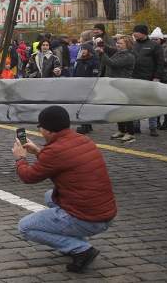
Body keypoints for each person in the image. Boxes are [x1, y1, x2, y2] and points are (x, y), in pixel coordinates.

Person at [13, 105, 116, 273]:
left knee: (25, 227)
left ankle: (81, 249)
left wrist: (20, 159)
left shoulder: (55, 150)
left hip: (90, 219)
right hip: (105, 213)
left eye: (40, 127)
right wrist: (38, 151)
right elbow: (60, 160)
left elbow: (28, 177)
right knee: (49, 196)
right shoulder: (82, 139)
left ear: (48, 130)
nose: (40, 131)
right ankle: (77, 241)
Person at [100, 35, 138, 143]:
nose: (117, 44)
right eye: (117, 43)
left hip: (123, 86)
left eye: (120, 43)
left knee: (125, 110)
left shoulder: (129, 56)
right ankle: (121, 130)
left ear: (127, 45)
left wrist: (102, 53)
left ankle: (130, 133)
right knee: (117, 109)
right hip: (114, 85)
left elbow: (113, 64)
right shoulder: (118, 53)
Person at [131, 25, 164, 137]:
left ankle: (153, 127)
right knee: (135, 103)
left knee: (151, 104)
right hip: (135, 78)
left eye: (136, 32)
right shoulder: (134, 45)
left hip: (150, 79)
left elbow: (160, 63)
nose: (134, 34)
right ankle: (136, 126)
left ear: (143, 33)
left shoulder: (155, 45)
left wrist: (157, 77)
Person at [73, 43, 100, 135]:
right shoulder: (79, 60)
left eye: (85, 49)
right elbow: (75, 72)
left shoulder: (94, 61)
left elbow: (95, 74)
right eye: (82, 49)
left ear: (89, 50)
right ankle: (86, 125)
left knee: (86, 106)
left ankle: (86, 125)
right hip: (79, 85)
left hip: (88, 86)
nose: (83, 51)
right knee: (81, 105)